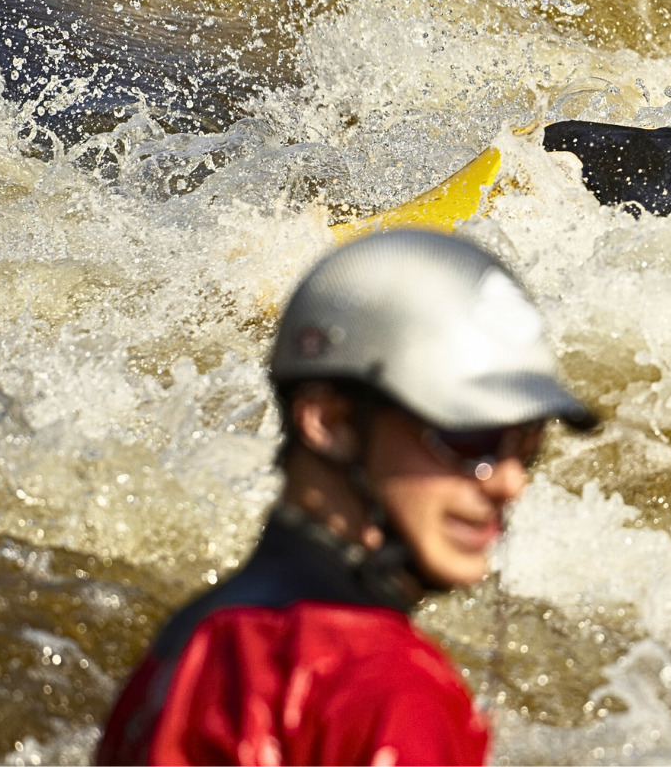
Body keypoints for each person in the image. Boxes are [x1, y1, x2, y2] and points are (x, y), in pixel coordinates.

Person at [96, 230, 596, 766]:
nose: (510, 482)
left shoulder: (190, 639)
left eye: (527, 443)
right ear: (330, 421)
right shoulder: (386, 689)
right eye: (469, 437)